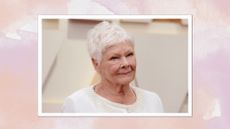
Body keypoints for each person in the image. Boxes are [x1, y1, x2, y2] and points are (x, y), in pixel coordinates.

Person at [63, 21, 164, 113]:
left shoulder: (153, 101)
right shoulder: (77, 104)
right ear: (96, 63)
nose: (125, 63)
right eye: (114, 58)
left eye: (129, 55)